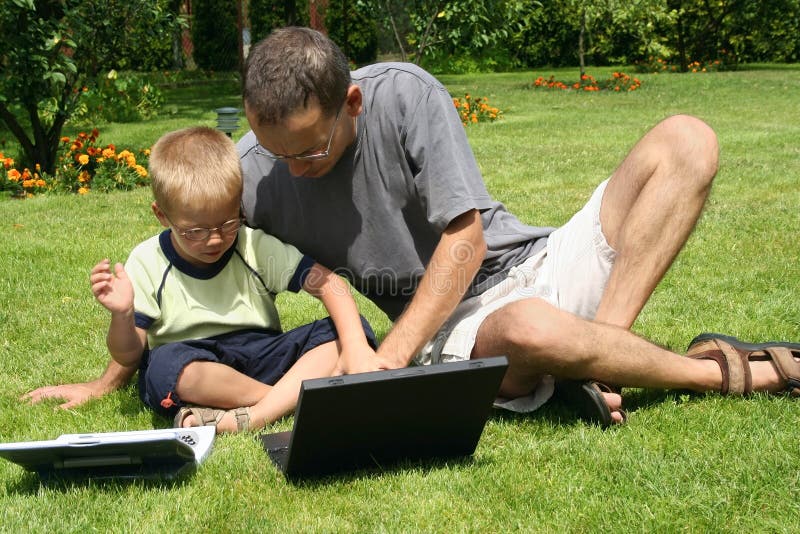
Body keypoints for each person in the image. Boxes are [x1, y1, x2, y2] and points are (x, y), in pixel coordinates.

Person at [26, 27, 800, 427]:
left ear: (350, 106)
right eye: (275, 149)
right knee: (530, 325)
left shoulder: (402, 94)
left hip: (524, 262)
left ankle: (605, 356)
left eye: (312, 148)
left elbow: (465, 241)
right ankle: (732, 372)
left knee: (687, 139)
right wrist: (107, 378)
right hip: (457, 331)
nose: (291, 169)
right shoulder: (253, 168)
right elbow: (182, 244)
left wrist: (386, 358)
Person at [61, 126, 377, 433]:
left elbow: (329, 283)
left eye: (227, 224)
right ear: (162, 215)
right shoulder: (146, 261)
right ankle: (283, 399)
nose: (214, 240)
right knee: (162, 366)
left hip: (263, 354)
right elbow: (128, 355)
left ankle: (253, 414)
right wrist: (122, 314)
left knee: (346, 329)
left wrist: (353, 345)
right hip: (195, 361)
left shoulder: (252, 245)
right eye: (196, 231)